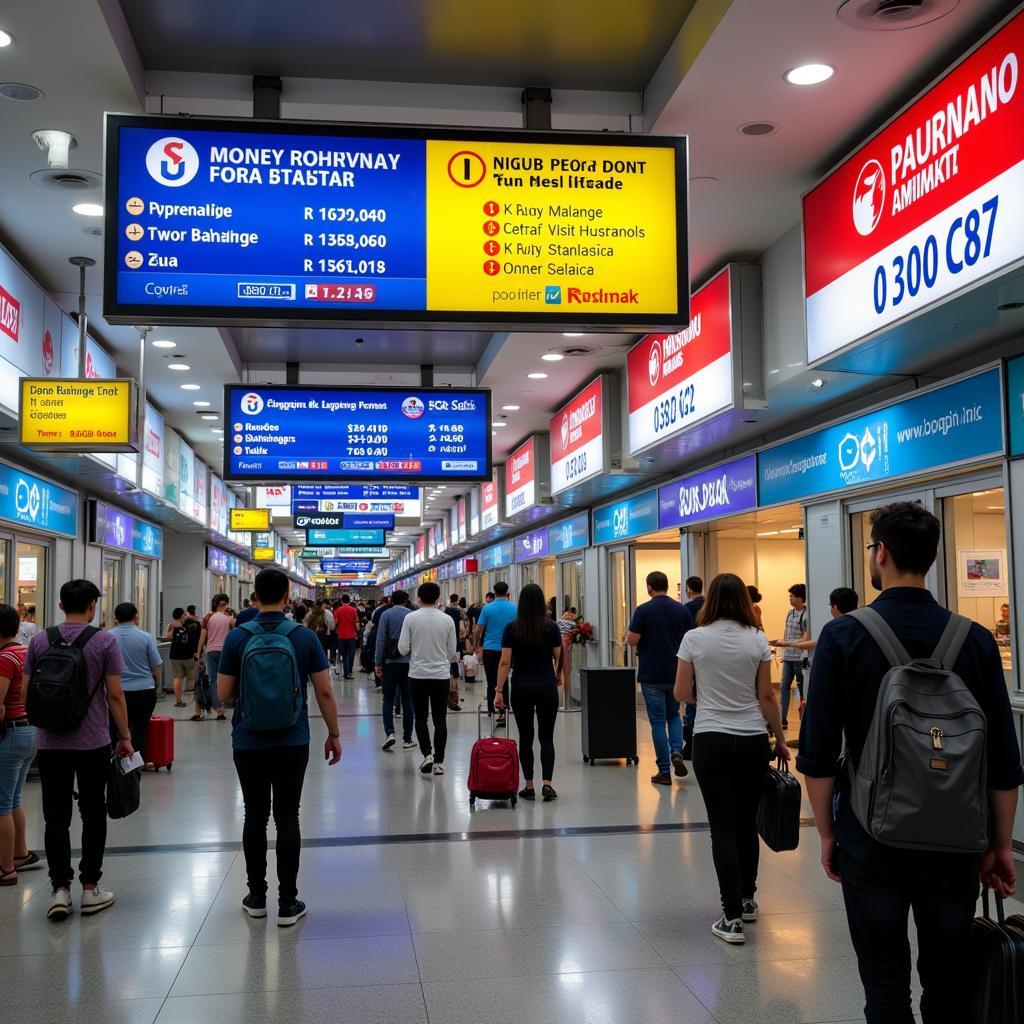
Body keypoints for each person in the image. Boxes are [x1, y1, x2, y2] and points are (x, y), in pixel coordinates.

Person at [799, 502, 1023, 1023]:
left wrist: (829, 835)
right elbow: (1004, 762)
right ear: (935, 557)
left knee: (885, 989)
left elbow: (817, 754)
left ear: (881, 554)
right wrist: (1001, 844)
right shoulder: (975, 639)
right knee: (947, 989)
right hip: (955, 843)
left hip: (870, 839)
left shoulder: (844, 636)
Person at [216, 568, 342, 927]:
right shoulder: (303, 637)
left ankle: (256, 897)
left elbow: (223, 695)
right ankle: (288, 902)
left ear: (254, 597)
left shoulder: (238, 636)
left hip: (248, 740)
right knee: (288, 816)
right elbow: (324, 691)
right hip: (293, 739)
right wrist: (334, 733)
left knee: (254, 816)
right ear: (288, 596)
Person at [674, 573, 789, 945]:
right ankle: (748, 899)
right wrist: (782, 740)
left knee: (722, 826)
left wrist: (705, 701)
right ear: (743, 600)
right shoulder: (756, 639)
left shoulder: (694, 638)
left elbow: (680, 691)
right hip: (753, 739)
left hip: (710, 740)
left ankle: (731, 918)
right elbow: (767, 696)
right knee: (746, 822)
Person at [24, 579, 133, 920]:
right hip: (92, 743)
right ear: (93, 606)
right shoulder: (104, 640)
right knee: (92, 812)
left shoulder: (41, 639)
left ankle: (59, 889)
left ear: (60, 606)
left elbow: (28, 691)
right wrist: (125, 736)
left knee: (55, 816)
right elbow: (115, 695)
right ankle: (89, 888)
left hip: (50, 742)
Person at [627, 572, 695, 786]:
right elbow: (691, 638)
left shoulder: (643, 610)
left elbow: (632, 640)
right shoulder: (682, 610)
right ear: (667, 586)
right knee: (673, 715)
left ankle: (664, 770)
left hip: (652, 673)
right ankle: (676, 750)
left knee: (657, 721)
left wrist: (627, 637)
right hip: (676, 672)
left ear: (649, 588)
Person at [494, 583, 560, 801]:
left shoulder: (512, 628)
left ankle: (529, 786)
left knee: (526, 737)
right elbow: (559, 655)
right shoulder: (551, 627)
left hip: (521, 686)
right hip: (546, 685)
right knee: (546, 737)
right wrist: (557, 676)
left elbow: (505, 662)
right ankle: (547, 785)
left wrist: (498, 690)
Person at [398, 582, 457, 776]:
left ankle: (427, 755)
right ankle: (439, 762)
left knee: (421, 717)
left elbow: (403, 649)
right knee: (440, 719)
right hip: (440, 675)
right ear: (439, 598)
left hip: (417, 675)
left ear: (418, 598)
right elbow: (452, 652)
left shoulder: (410, 618)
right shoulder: (447, 619)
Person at [0, 603, 39, 885]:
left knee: (1, 804)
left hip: (11, 734)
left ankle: (5, 869)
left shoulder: (4, 658)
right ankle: (20, 854)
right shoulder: (26, 652)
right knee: (13, 799)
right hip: (31, 731)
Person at [110, 602, 162, 764]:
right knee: (140, 726)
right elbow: (156, 665)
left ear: (115, 619)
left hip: (116, 691)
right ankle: (138, 761)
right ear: (136, 617)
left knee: (116, 726)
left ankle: (116, 760)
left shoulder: (107, 637)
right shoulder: (146, 637)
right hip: (144, 690)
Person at [375, 590, 415, 751]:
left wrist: (378, 663)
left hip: (390, 663)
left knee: (388, 699)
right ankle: (407, 738)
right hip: (409, 663)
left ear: (391, 600)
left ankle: (390, 733)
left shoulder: (386, 615)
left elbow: (380, 639)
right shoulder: (412, 615)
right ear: (406, 600)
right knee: (407, 700)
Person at [474, 582, 517, 725]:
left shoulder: (487, 608)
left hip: (490, 649)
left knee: (491, 680)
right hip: (509, 649)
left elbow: (479, 629)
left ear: (494, 592)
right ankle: (504, 711)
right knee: (504, 680)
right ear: (507, 591)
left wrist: (476, 645)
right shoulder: (514, 607)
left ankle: (491, 709)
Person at [769, 583, 808, 729]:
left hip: (799, 658)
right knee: (784, 687)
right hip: (788, 658)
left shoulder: (806, 615)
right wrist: (781, 644)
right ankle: (782, 719)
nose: (790, 598)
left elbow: (805, 639)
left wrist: (784, 643)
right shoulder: (789, 613)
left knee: (803, 688)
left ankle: (804, 718)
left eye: (791, 596)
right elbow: (787, 634)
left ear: (799, 598)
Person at [785, 587, 859, 661]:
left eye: (830, 606)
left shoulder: (831, 628)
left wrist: (788, 644)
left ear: (835, 607)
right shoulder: (861, 625)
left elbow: (818, 644)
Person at [193, 594, 232, 721]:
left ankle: (218, 710)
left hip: (211, 652)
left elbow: (202, 636)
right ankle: (223, 706)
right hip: (225, 652)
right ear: (224, 604)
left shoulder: (208, 617)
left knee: (213, 681)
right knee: (225, 679)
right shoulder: (229, 619)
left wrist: (198, 653)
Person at [166, 607, 200, 708]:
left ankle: (178, 701)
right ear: (182, 615)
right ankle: (189, 698)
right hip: (189, 655)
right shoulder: (191, 624)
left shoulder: (171, 625)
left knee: (177, 677)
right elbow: (196, 637)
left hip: (176, 655)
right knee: (191, 677)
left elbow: (168, 636)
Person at [444, 594, 466, 711]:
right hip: (456, 644)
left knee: (447, 671)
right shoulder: (459, 611)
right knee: (455, 671)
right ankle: (453, 700)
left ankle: (446, 698)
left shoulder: (444, 611)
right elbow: (463, 629)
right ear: (456, 601)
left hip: (445, 645)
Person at [334, 594, 359, 679]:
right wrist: (357, 631)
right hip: (352, 636)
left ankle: (345, 673)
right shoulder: (354, 610)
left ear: (341, 601)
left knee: (344, 655)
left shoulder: (338, 610)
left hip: (341, 636)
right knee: (351, 655)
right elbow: (356, 624)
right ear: (349, 601)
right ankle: (349, 672)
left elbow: (335, 624)